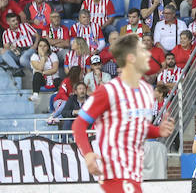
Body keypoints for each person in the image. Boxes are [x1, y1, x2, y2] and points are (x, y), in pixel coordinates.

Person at [73, 35, 174, 193]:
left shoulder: (145, 90)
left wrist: (157, 131)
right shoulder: (109, 91)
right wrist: (88, 154)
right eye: (142, 51)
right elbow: (79, 124)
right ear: (131, 58)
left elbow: (136, 127)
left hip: (134, 174)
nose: (148, 54)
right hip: (115, 174)